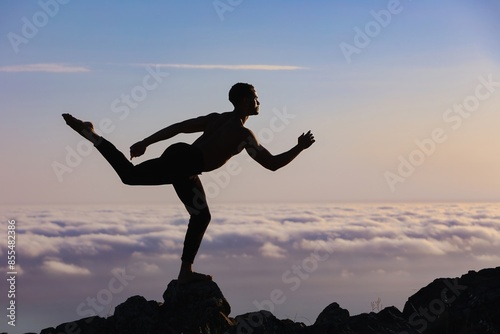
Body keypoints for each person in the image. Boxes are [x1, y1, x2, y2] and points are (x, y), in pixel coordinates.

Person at [62, 82, 315, 284]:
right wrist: (299, 148)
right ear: (244, 101)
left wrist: (146, 142)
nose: (259, 102)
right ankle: (185, 272)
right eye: (255, 97)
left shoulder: (217, 118)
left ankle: (91, 133)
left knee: (133, 178)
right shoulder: (243, 134)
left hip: (182, 160)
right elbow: (271, 164)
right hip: (185, 164)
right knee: (199, 215)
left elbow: (179, 128)